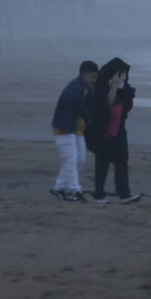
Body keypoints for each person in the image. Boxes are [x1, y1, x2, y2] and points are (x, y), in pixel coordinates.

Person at [87, 56, 141, 203]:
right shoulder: (100, 88)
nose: (122, 77)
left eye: (124, 74)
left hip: (119, 131)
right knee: (102, 165)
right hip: (102, 133)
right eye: (120, 74)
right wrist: (114, 87)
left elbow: (126, 107)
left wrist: (123, 91)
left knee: (122, 162)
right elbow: (105, 106)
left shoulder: (125, 89)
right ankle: (99, 194)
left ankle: (124, 193)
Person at [50, 60, 97, 202]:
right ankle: (74, 190)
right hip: (65, 128)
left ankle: (58, 188)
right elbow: (82, 110)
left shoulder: (85, 87)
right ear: (83, 74)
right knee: (70, 161)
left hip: (76, 130)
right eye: (92, 76)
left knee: (79, 160)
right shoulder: (74, 90)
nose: (94, 80)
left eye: (96, 77)